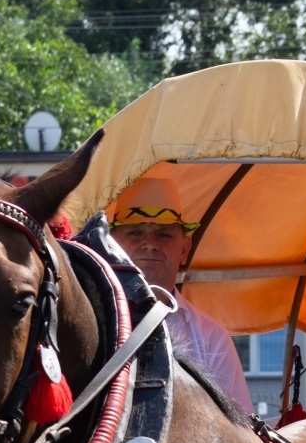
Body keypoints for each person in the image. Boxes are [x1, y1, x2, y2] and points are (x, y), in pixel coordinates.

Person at [110, 175, 256, 414]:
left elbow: (242, 429)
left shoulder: (212, 338)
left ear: (184, 250)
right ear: (111, 245)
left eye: (164, 234)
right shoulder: (94, 321)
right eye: (135, 233)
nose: (150, 243)